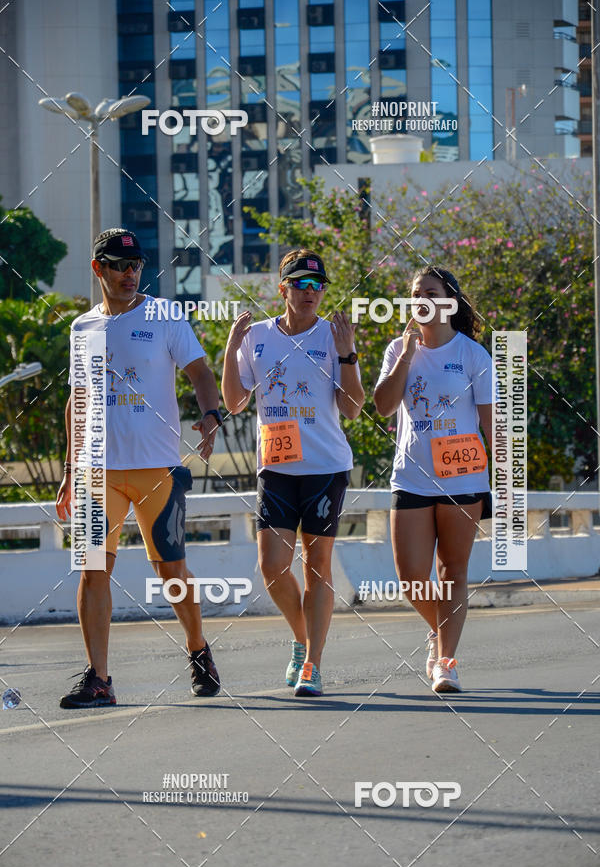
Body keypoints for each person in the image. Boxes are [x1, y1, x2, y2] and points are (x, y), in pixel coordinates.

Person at [56, 227, 223, 707]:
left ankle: (198, 650)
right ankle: (99, 678)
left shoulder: (165, 315)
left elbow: (200, 372)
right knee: (92, 570)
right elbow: (78, 399)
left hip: (157, 468)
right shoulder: (83, 328)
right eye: (119, 266)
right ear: (98, 269)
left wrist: (211, 413)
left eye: (136, 266)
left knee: (171, 570)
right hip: (96, 471)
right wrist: (69, 468)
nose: (130, 274)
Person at [222, 249, 364, 696]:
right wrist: (230, 348)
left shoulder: (334, 336)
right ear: (283, 289)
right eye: (300, 284)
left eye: (317, 285)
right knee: (272, 567)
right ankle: (302, 639)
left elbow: (353, 408)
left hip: (325, 467)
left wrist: (348, 354)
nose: (310, 292)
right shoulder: (257, 336)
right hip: (277, 467)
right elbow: (234, 402)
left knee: (316, 566)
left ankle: (313, 665)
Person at [374, 265, 493, 693]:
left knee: (453, 571)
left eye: (430, 292)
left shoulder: (473, 355)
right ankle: (438, 632)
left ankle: (446, 662)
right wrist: (407, 355)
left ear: (449, 301)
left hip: (463, 477)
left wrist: (505, 486)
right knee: (411, 576)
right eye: (415, 293)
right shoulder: (398, 349)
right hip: (412, 477)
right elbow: (384, 406)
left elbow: (493, 426)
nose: (421, 299)